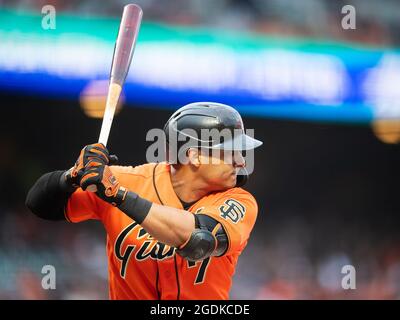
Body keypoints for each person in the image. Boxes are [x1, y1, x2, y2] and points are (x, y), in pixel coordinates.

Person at [26, 102, 262, 300]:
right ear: (195, 155)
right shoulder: (126, 181)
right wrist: (71, 176)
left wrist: (118, 196)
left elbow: (199, 239)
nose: (241, 161)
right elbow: (40, 205)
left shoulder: (239, 201)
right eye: (231, 151)